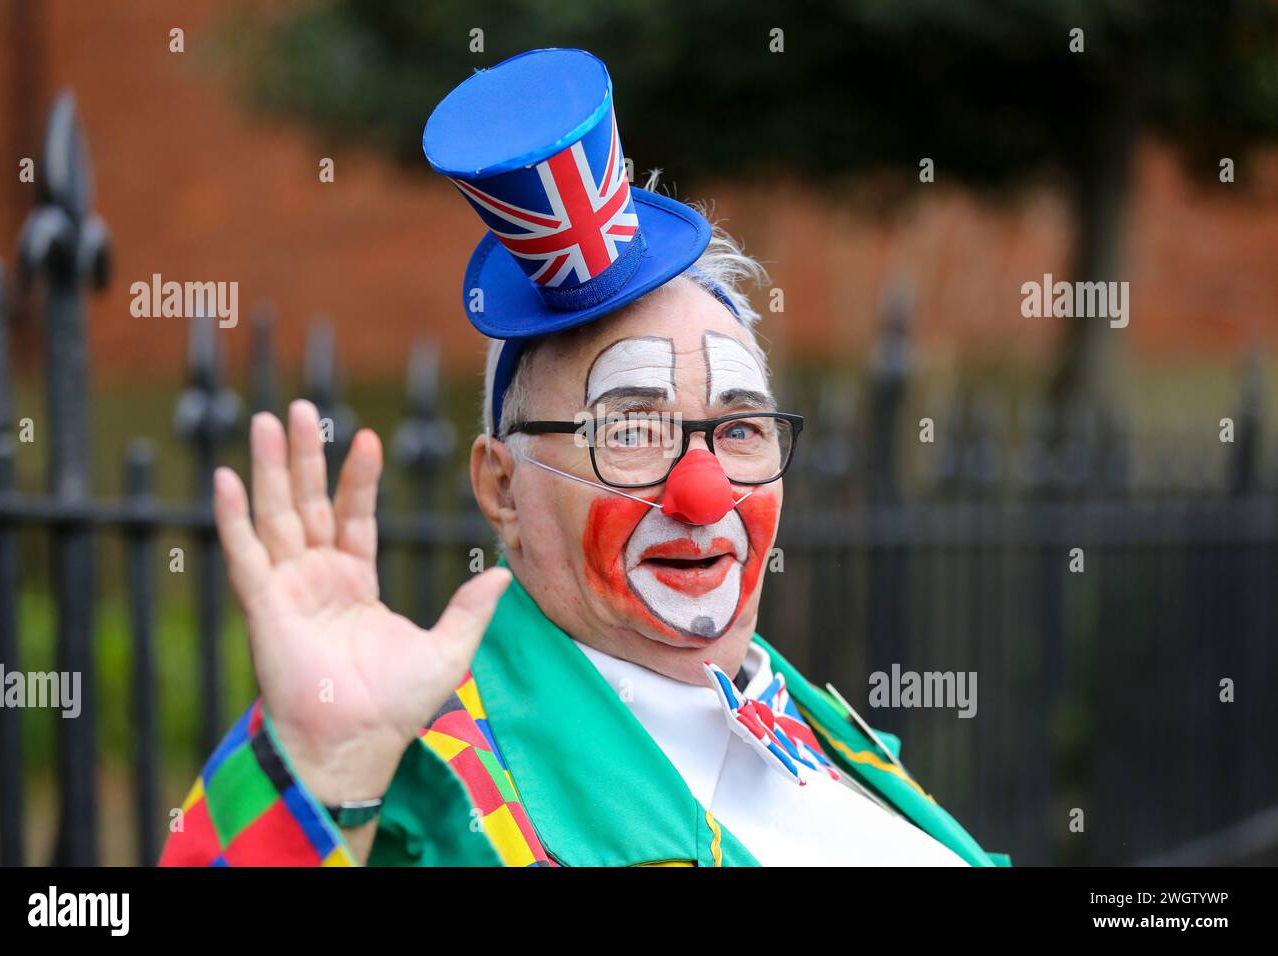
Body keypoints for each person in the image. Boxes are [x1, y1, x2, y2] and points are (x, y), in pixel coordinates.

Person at [160, 48, 1006, 867]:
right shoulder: (437, 804)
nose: (703, 492)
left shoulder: (813, 725)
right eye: (632, 430)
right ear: (502, 486)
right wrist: (320, 777)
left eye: (740, 429)